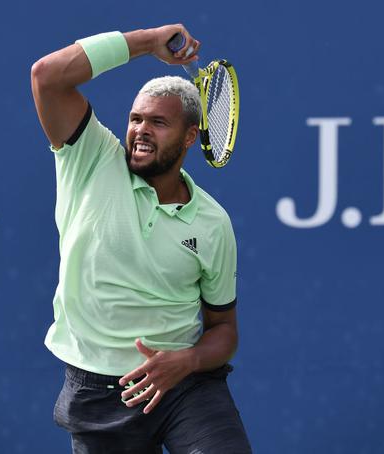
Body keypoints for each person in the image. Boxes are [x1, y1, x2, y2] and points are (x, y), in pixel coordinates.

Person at [31, 24, 251, 453]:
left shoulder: (212, 222)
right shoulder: (90, 159)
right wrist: (148, 43)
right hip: (97, 391)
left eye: (159, 122)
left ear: (191, 136)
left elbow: (224, 331)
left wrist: (186, 361)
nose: (141, 130)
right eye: (135, 119)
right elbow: (47, 76)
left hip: (186, 386)